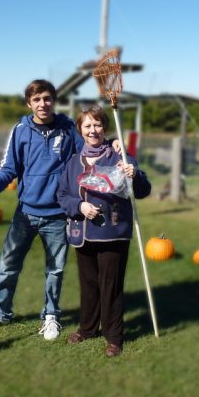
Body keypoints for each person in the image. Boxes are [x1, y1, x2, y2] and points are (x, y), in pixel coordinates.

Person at [0, 80, 119, 340]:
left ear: (54, 101)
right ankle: (1, 310)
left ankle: (51, 315)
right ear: (29, 103)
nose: (43, 104)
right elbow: (10, 168)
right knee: (8, 264)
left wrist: (114, 143)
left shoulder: (66, 129)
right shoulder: (21, 130)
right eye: (37, 99)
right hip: (26, 213)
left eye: (47, 98)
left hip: (57, 214)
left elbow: (90, 147)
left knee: (55, 269)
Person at [57, 106, 151, 356]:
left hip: (113, 230)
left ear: (105, 128)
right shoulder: (73, 163)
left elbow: (142, 191)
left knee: (110, 285)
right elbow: (63, 195)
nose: (93, 130)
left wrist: (135, 176)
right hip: (82, 232)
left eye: (97, 125)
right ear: (80, 130)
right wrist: (79, 205)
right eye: (87, 126)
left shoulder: (120, 157)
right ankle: (87, 329)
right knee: (88, 284)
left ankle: (114, 337)